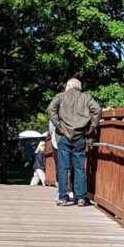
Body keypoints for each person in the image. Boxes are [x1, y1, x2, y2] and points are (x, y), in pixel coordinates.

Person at [46, 78, 102, 206]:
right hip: (80, 136)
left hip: (64, 136)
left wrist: (58, 125)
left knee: (63, 167)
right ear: (79, 87)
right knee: (79, 167)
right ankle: (81, 197)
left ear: (69, 86)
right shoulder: (86, 98)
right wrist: (91, 127)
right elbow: (97, 110)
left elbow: (50, 109)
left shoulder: (60, 96)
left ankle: (63, 197)